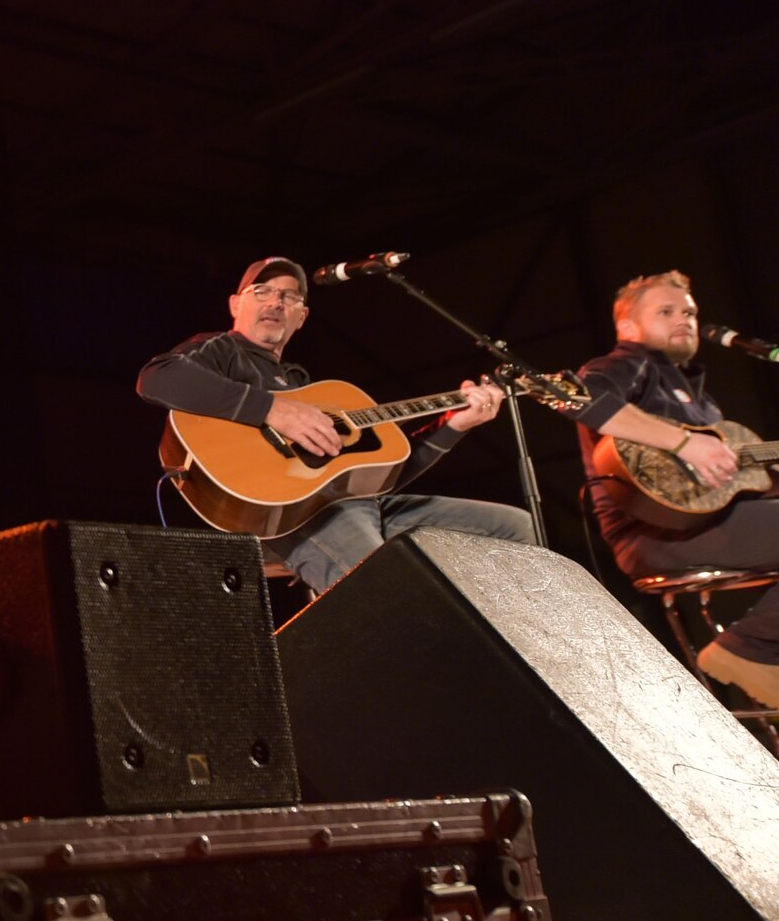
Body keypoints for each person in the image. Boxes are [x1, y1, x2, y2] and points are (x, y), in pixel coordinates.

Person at [136, 256, 534, 593]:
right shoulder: (222, 350)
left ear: (302, 317)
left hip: (354, 505)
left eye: (289, 296)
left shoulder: (304, 386)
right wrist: (271, 410)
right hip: (294, 517)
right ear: (235, 304)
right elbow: (157, 378)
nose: (275, 301)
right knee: (389, 586)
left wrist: (454, 425)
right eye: (262, 291)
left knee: (516, 527)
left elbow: (378, 478)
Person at [573, 269, 779, 707]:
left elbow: (736, 483)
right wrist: (685, 443)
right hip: (654, 535)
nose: (683, 319)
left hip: (709, 523)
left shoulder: (698, 399)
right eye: (665, 311)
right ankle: (748, 649)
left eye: (688, 311)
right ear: (628, 326)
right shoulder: (624, 364)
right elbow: (583, 398)